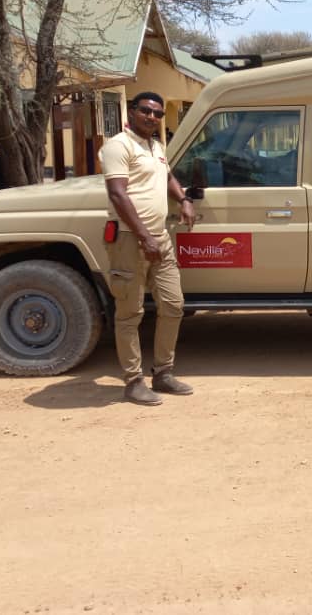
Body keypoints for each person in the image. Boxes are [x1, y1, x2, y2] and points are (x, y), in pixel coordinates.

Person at [101, 92, 196, 405]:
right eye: (146, 111)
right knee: (130, 312)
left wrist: (183, 200)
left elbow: (166, 174)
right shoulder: (119, 145)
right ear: (132, 111)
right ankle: (132, 381)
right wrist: (144, 237)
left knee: (173, 304)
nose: (152, 117)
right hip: (131, 238)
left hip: (160, 237)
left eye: (156, 113)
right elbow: (117, 194)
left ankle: (163, 373)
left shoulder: (156, 146)